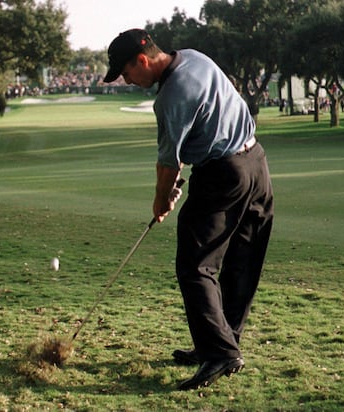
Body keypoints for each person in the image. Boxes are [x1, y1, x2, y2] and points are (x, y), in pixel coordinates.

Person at [103, 29, 274, 391]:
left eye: (126, 72)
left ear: (143, 60)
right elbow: (209, 120)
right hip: (256, 162)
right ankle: (223, 342)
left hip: (223, 173)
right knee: (242, 258)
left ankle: (219, 352)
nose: (127, 80)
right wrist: (178, 183)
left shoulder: (169, 97)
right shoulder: (195, 57)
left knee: (195, 266)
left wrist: (161, 200)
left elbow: (168, 165)